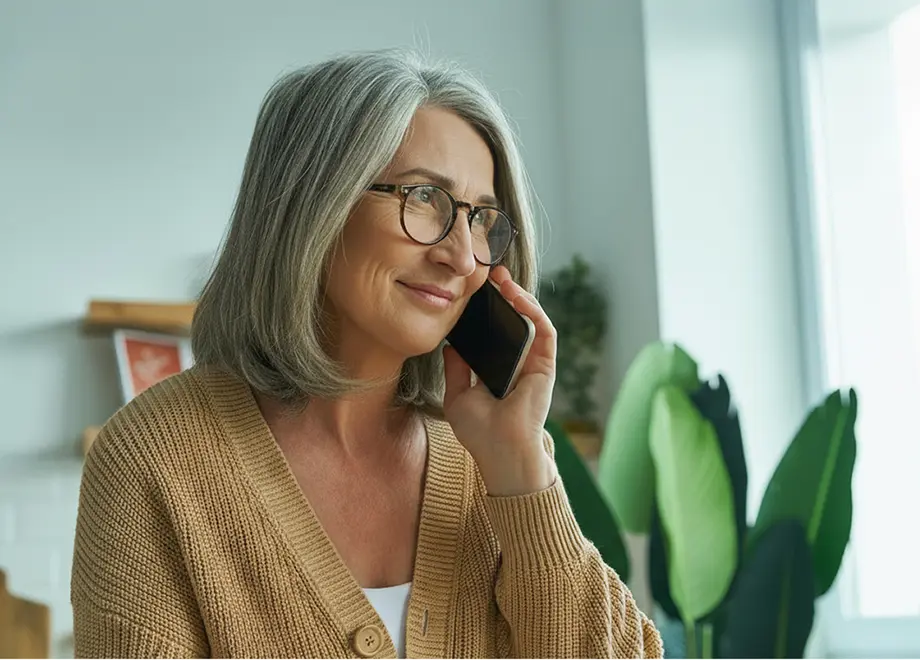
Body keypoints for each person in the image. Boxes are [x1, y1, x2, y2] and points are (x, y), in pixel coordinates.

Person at [71, 49, 662, 658]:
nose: (461, 257)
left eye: (481, 218)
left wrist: (518, 470)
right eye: (424, 197)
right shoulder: (155, 460)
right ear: (312, 204)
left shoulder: (498, 456)